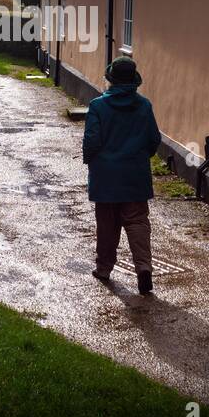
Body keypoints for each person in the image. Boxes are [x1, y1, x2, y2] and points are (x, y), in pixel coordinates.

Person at [82, 55, 161, 295]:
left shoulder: (97, 106)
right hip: (135, 174)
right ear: (134, 81)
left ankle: (104, 268)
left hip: (106, 176)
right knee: (137, 222)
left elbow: (92, 141)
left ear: (110, 79)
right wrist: (139, 157)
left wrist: (91, 160)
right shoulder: (144, 106)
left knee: (107, 225)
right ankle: (144, 268)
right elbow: (153, 140)